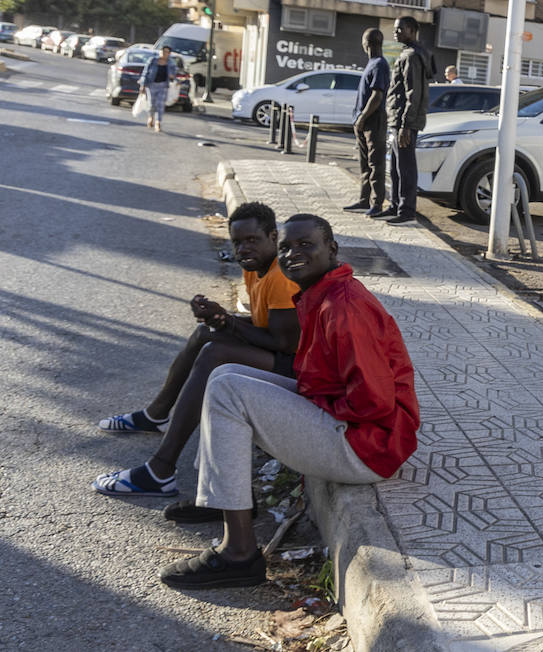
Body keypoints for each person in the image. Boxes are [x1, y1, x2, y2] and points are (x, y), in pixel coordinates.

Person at [158, 214, 419, 588]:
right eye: (286, 248)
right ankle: (223, 496)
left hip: (368, 449)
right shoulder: (322, 293)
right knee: (224, 376)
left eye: (306, 245)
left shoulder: (343, 307)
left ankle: (239, 553)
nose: (293, 254)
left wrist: (313, 407)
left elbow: (373, 402)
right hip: (354, 428)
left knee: (230, 391)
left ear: (332, 249)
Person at [94, 202, 300, 516]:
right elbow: (263, 327)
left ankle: (160, 469)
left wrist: (229, 324)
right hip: (281, 354)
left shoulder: (280, 277)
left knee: (215, 352)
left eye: (252, 240)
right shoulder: (255, 268)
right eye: (237, 242)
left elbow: (284, 344)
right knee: (206, 334)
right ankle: (156, 414)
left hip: (300, 368)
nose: (243, 248)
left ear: (273, 236)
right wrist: (220, 318)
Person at [375, 15, 431, 226]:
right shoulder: (408, 53)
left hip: (403, 122)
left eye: (399, 29)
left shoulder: (412, 56)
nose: (395, 33)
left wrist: (406, 125)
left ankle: (407, 212)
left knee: (405, 168)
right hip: (396, 120)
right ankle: (395, 205)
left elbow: (413, 93)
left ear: (410, 29)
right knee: (396, 167)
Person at [343, 29, 391, 218]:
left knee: (375, 164)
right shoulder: (372, 64)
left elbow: (377, 96)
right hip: (363, 122)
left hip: (374, 121)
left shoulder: (379, 65)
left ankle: (377, 204)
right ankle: (364, 200)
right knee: (365, 164)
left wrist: (362, 118)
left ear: (366, 44)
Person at [139, 45, 176, 132]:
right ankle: (151, 117)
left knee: (160, 105)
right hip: (152, 84)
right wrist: (142, 85)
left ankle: (158, 122)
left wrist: (172, 77)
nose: (164, 54)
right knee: (152, 103)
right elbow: (145, 73)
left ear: (169, 54)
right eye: (163, 51)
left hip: (163, 86)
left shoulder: (171, 63)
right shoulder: (153, 60)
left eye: (167, 52)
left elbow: (173, 75)